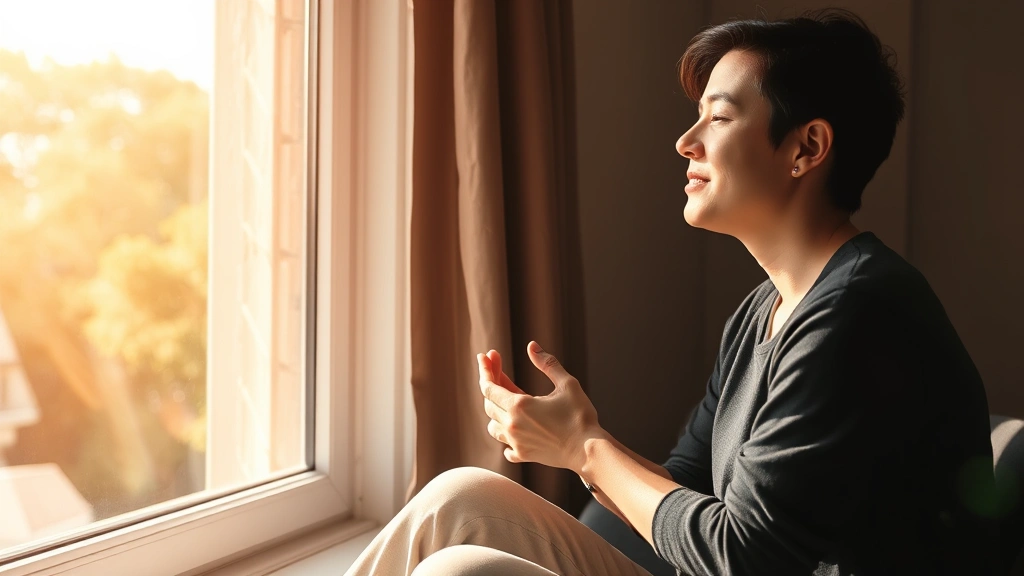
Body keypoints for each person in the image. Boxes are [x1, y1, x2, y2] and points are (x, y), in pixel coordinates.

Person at [344, 9, 996, 576]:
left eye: (718, 117)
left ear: (807, 147)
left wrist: (585, 450)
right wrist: (582, 440)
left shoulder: (860, 314)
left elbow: (747, 558)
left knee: (462, 570)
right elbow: (682, 491)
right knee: (460, 498)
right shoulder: (761, 313)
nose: (686, 143)